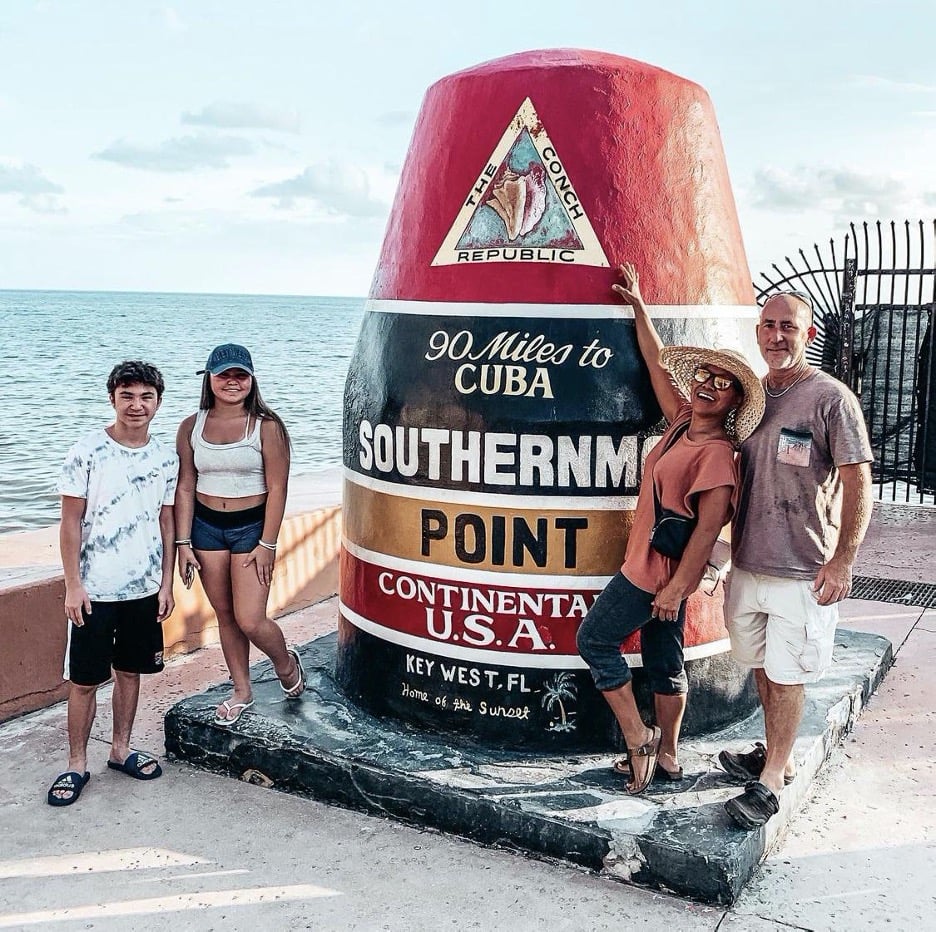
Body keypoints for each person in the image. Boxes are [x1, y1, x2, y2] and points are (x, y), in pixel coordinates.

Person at [577, 264, 765, 794]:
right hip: (661, 569)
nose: (708, 386)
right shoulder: (683, 421)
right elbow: (659, 361)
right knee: (664, 658)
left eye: (722, 384)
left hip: (656, 573)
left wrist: (676, 587)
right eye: (705, 377)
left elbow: (708, 529)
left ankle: (638, 736)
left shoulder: (718, 454)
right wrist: (639, 304)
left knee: (594, 639)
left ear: (734, 402)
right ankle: (670, 756)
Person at [720, 290, 873, 829]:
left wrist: (843, 560)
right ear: (757, 333)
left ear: (808, 335)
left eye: (788, 326)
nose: (777, 335)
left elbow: (859, 481)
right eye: (768, 325)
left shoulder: (831, 398)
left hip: (803, 569)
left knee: (788, 675)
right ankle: (773, 756)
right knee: (762, 666)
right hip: (748, 562)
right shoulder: (751, 398)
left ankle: (770, 782)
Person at [48, 361, 178, 807]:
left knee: (130, 672)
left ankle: (120, 749)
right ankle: (76, 763)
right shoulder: (87, 451)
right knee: (84, 681)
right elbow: (69, 522)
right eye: (128, 396)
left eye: (146, 396)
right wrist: (73, 584)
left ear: (158, 401)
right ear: (113, 399)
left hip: (143, 589)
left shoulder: (166, 458)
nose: (137, 405)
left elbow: (167, 521)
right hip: (94, 591)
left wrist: (165, 584)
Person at [174, 343, 305, 727]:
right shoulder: (191, 426)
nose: (232, 381)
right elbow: (185, 486)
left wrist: (268, 543)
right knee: (226, 615)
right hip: (206, 529)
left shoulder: (266, 426)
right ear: (209, 379)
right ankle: (241, 690)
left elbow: (278, 489)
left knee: (250, 619)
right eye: (224, 375)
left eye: (240, 375)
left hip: (251, 529)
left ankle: (284, 662)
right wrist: (183, 543)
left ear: (251, 380)